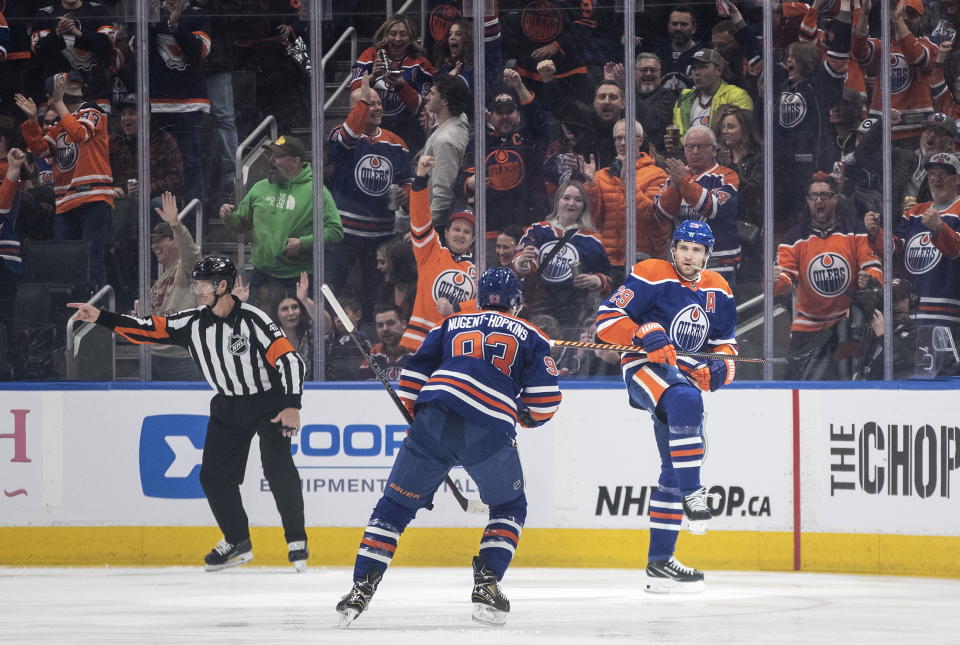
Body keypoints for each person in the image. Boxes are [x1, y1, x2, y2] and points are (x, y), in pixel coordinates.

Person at [336, 267, 562, 628]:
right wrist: (522, 416)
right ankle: (487, 584)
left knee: (394, 507)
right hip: (489, 427)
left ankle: (360, 589)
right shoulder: (534, 335)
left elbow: (411, 380)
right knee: (509, 505)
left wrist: (423, 421)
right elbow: (546, 402)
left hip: (435, 415)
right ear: (516, 303)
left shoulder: (450, 324)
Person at [66, 257, 309, 572]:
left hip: (269, 401)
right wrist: (102, 317)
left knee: (277, 466)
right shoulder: (193, 321)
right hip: (229, 404)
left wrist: (292, 404)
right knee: (213, 477)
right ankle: (238, 541)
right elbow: (146, 330)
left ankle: (296, 541)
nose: (197, 290)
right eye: (196, 283)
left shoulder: (254, 320)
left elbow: (290, 362)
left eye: (203, 284)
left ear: (222, 286)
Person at [595, 220, 737, 593]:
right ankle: (695, 495)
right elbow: (606, 320)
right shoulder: (650, 274)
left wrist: (720, 367)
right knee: (686, 399)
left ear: (707, 255)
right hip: (644, 368)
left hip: (685, 375)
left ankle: (660, 564)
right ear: (673, 248)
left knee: (672, 470)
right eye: (684, 248)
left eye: (697, 250)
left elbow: (725, 344)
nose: (689, 255)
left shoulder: (719, 289)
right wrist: (643, 332)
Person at [775, 174, 883, 380]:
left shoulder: (854, 229)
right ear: (807, 200)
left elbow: (872, 264)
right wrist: (776, 281)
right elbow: (784, 277)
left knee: (847, 376)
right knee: (794, 381)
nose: (819, 200)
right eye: (813, 195)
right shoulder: (795, 236)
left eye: (825, 195)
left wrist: (869, 278)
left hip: (846, 323)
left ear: (836, 199)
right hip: (807, 325)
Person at [326, 71, 412, 318]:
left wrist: (404, 198)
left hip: (381, 236)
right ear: (355, 109)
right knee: (330, 288)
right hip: (344, 233)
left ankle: (371, 344)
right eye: (368, 103)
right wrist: (362, 91)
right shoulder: (340, 135)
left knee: (376, 296)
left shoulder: (397, 143)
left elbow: (406, 183)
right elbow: (348, 136)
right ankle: (327, 336)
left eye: (377, 103)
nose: (375, 107)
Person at [221, 134, 343, 308]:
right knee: (256, 330)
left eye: (277, 156)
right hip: (262, 275)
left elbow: (335, 231)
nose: (270, 160)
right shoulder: (260, 188)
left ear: (295, 161)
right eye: (270, 155)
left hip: (298, 280)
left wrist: (304, 243)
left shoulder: (316, 191)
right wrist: (228, 217)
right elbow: (241, 224)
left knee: (298, 333)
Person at [864, 152, 960, 369]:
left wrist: (939, 229)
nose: (936, 179)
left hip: (947, 315)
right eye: (932, 174)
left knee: (943, 375)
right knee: (908, 371)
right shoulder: (915, 212)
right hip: (911, 314)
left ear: (957, 178)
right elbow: (894, 249)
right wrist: (875, 234)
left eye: (943, 174)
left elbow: (957, 250)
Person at [16, 73, 112, 287]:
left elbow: (80, 134)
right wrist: (33, 121)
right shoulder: (59, 124)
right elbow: (40, 150)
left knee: (92, 256)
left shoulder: (92, 110)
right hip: (65, 201)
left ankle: (98, 307)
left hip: (93, 196)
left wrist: (59, 104)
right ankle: (70, 310)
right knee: (67, 260)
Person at [513, 180, 612, 336]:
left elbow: (609, 279)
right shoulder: (538, 230)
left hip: (574, 313)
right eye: (566, 198)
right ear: (557, 200)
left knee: (567, 356)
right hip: (536, 307)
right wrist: (522, 262)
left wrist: (596, 280)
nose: (571, 203)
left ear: (584, 206)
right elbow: (520, 265)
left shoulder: (593, 241)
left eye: (578, 200)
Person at [400, 155, 476, 352]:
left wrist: (457, 309)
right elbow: (420, 218)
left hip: (454, 346)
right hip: (420, 341)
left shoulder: (477, 269)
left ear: (474, 239)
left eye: (467, 232)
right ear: (446, 232)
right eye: (457, 229)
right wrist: (421, 180)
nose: (461, 235)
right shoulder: (430, 251)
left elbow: (483, 305)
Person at [463, 72, 550, 239]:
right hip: (492, 233)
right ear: (490, 116)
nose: (505, 117)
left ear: (518, 114)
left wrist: (519, 86)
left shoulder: (529, 139)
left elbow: (539, 122)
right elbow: (465, 177)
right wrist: (470, 182)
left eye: (509, 111)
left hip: (530, 230)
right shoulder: (480, 143)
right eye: (499, 112)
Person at [583, 119, 670, 279]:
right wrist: (590, 186)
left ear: (639, 140)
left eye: (626, 137)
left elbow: (650, 215)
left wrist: (627, 184)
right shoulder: (601, 176)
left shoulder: (657, 174)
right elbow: (592, 221)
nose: (621, 143)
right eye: (617, 138)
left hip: (641, 258)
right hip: (607, 259)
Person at [654, 125, 741, 285]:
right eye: (690, 146)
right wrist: (675, 186)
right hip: (683, 265)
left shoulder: (726, 176)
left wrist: (683, 182)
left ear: (713, 150)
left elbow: (714, 208)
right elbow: (661, 214)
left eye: (700, 147)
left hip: (718, 263)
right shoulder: (674, 178)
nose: (694, 151)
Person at [350, 15, 436, 151]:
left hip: (408, 133)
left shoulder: (421, 64)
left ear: (411, 38)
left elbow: (423, 107)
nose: (397, 39)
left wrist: (402, 86)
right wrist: (372, 77)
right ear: (385, 35)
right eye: (393, 33)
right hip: (371, 131)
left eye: (403, 34)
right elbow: (354, 96)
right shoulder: (370, 56)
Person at [145, 191, 202, 381]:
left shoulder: (187, 269)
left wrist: (176, 225)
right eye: (152, 241)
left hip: (182, 358)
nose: (154, 246)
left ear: (173, 240)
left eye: (159, 240)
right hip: (154, 355)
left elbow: (191, 252)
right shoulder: (160, 280)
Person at [109, 94, 182, 205]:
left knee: (158, 204)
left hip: (154, 199)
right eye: (123, 114)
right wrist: (111, 189)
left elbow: (177, 177)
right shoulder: (113, 141)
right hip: (121, 201)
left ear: (147, 116)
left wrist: (150, 187)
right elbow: (101, 173)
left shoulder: (164, 140)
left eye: (132, 113)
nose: (126, 118)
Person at [670, 48, 753, 139]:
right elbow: (680, 137)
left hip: (723, 152)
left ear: (719, 70)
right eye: (694, 68)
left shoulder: (737, 96)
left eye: (702, 67)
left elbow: (742, 136)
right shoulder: (683, 100)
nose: (696, 73)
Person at [422, 74, 471, 224]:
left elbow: (443, 194)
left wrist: (424, 228)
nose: (427, 97)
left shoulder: (445, 141)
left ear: (445, 100)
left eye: (432, 93)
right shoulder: (459, 119)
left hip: (436, 225)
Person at [857, 278, 921, 379]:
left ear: (912, 300)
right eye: (889, 299)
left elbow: (895, 370)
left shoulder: (916, 336)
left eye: (899, 298)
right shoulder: (871, 333)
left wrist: (883, 337)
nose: (893, 304)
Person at [358, 304, 411, 381]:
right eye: (380, 325)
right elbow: (362, 388)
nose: (385, 329)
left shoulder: (418, 351)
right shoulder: (375, 352)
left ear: (404, 324)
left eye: (391, 323)